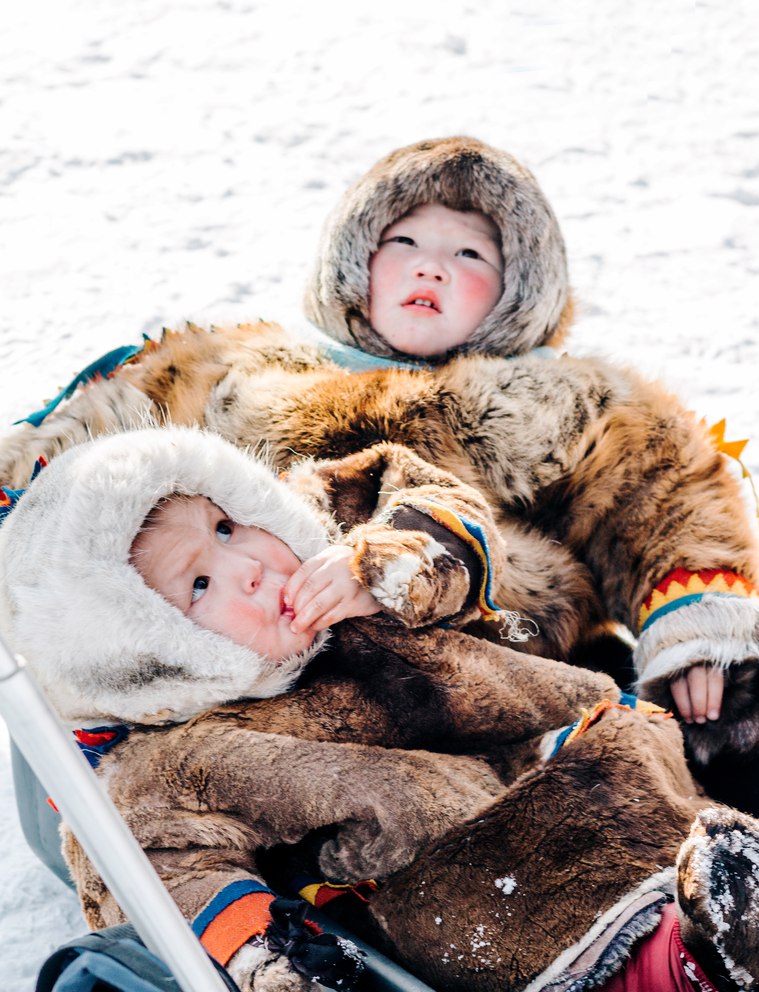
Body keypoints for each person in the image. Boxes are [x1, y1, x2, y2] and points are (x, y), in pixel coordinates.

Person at [0, 136, 757, 816]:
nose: (431, 264)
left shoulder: (573, 400)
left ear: (520, 291)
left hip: (508, 667)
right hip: (278, 680)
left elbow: (665, 500)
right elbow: (97, 456)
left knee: (679, 742)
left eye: (471, 256)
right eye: (404, 241)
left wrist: (696, 638)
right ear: (353, 261)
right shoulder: (235, 369)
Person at [1, 426, 758, 992]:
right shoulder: (180, 759)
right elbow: (162, 869)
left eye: (228, 526)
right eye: (199, 584)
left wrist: (389, 562)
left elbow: (415, 484)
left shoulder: (337, 563)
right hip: (470, 882)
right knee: (554, 923)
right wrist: (262, 956)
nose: (250, 565)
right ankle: (695, 984)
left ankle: (725, 924)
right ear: (147, 649)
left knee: (681, 807)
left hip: (594, 766)